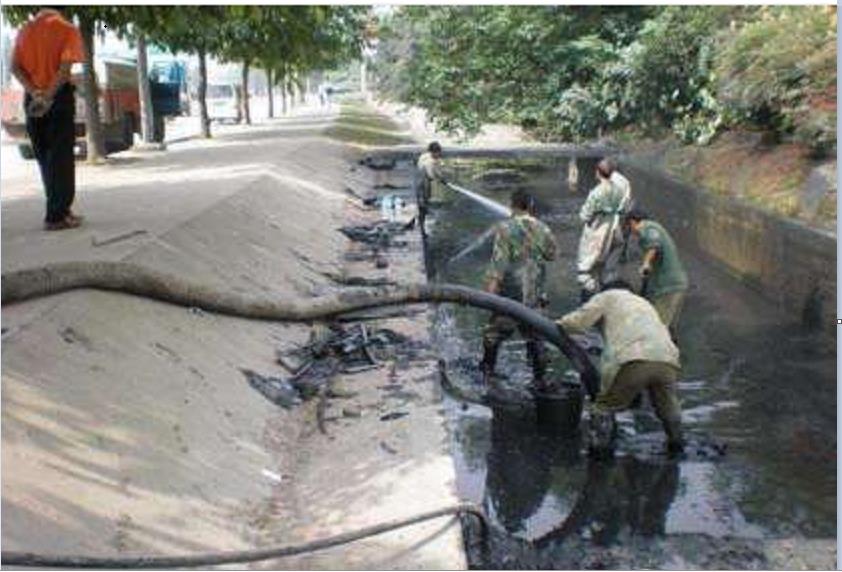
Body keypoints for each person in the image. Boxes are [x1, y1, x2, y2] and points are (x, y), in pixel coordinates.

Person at [556, 281, 684, 455]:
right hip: (668, 358)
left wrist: (559, 324)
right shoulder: (644, 304)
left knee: (603, 407)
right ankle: (677, 444)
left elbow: (577, 323)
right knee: (667, 406)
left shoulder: (608, 296)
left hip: (634, 357)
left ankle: (599, 454)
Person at [11, 7, 86, 231]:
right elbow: (64, 70)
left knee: (45, 158)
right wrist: (49, 95)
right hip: (58, 98)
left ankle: (61, 210)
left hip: (32, 99)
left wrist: (35, 93)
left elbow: (15, 68)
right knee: (61, 157)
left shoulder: (25, 30)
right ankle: (55, 217)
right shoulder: (67, 29)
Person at [481, 189, 558, 392]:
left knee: (493, 334)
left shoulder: (505, 229)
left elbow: (499, 264)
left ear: (512, 205)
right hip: (535, 295)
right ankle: (539, 380)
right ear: (530, 205)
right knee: (536, 337)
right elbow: (552, 255)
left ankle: (488, 372)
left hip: (510, 296)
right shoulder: (544, 228)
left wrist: (489, 293)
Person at [625, 209, 688, 338]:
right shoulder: (652, 229)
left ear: (632, 222)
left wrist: (646, 263)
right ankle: (672, 354)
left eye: (628, 226)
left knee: (658, 328)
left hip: (669, 288)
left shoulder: (648, 227)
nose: (631, 231)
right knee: (668, 329)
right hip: (673, 286)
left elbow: (654, 245)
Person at [576, 158, 632, 299]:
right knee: (600, 264)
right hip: (611, 227)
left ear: (598, 172)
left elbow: (584, 215)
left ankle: (588, 300)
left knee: (586, 269)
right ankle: (600, 295)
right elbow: (624, 207)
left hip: (596, 229)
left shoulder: (596, 192)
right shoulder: (618, 189)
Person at [414, 141, 445, 231]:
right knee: (424, 203)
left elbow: (435, 171)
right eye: (438, 153)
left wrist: (440, 177)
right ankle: (422, 225)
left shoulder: (424, 156)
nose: (439, 155)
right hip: (424, 183)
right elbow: (431, 175)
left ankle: (421, 223)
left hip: (418, 181)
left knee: (421, 203)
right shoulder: (429, 161)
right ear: (434, 152)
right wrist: (441, 179)